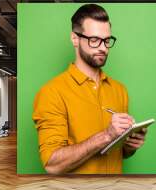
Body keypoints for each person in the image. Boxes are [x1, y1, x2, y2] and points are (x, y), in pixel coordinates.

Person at [32, 4, 148, 174]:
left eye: (107, 41)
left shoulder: (119, 90)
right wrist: (106, 135)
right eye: (94, 40)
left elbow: (118, 153)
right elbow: (52, 164)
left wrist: (129, 146)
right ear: (75, 39)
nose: (103, 48)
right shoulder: (51, 92)